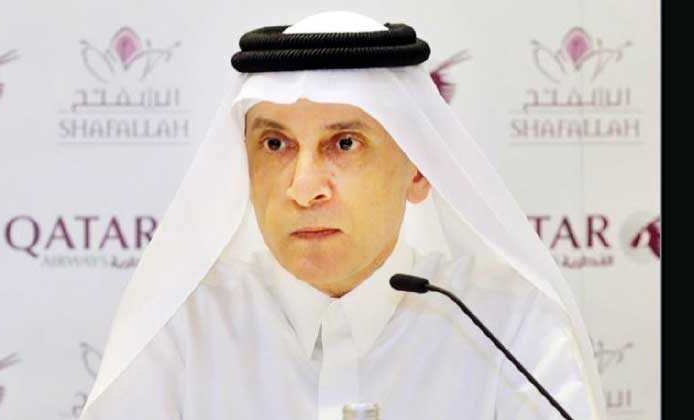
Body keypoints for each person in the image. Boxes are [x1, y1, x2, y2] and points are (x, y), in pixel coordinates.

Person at [79, 11, 606, 420]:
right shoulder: (183, 327)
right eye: (275, 143)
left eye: (344, 143)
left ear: (419, 169)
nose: (304, 188)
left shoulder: (507, 325)